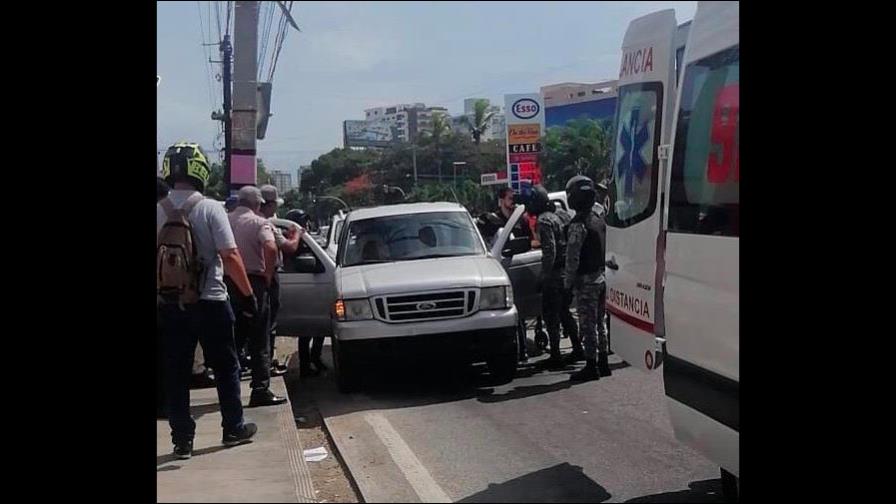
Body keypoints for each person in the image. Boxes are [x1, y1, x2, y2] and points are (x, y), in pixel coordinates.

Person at [157, 142, 258, 459]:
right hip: (211, 300)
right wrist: (248, 294)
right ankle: (233, 428)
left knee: (176, 372)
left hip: (171, 304)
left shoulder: (157, 210)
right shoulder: (211, 207)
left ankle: (182, 440)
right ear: (200, 169)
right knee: (226, 365)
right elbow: (230, 256)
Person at [226, 186, 288, 407]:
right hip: (254, 281)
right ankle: (260, 389)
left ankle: (229, 389)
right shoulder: (259, 222)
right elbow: (271, 248)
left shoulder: (226, 220)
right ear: (257, 204)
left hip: (229, 282)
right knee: (259, 338)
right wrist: (268, 275)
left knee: (233, 339)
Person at [527, 185, 582, 368]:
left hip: (555, 274)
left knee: (551, 314)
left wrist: (543, 277)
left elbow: (550, 251)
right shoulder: (562, 214)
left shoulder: (544, 221)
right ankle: (577, 348)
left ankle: (556, 355)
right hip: (568, 271)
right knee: (565, 312)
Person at [564, 175, 612, 381]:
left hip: (587, 282)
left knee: (587, 323)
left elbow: (572, 258)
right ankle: (603, 361)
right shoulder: (598, 218)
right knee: (600, 322)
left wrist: (567, 284)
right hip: (602, 277)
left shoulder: (578, 224)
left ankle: (591, 365)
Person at [259, 185, 301, 377]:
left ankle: (260, 362)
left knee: (258, 326)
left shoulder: (242, 221)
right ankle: (266, 364)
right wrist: (297, 234)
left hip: (245, 279)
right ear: (269, 204)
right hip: (267, 277)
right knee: (268, 324)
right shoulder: (266, 225)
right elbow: (289, 248)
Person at [284, 208, 327, 377]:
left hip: (312, 287)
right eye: (303, 222)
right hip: (300, 290)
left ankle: (315, 358)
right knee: (306, 330)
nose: (307, 225)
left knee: (319, 328)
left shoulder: (305, 240)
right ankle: (305, 364)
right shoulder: (294, 243)